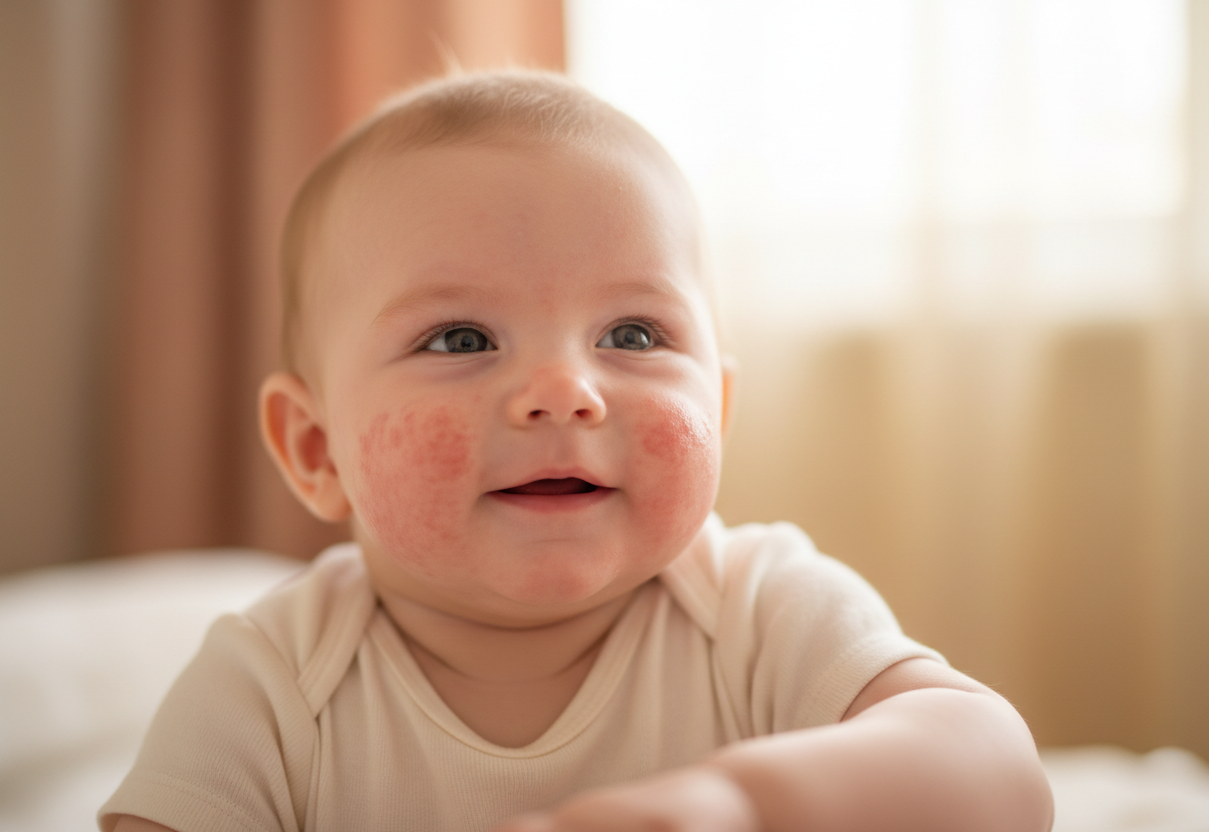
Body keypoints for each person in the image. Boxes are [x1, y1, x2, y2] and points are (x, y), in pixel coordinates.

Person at [101, 71, 1053, 832]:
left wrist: (749, 805)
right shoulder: (271, 682)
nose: (565, 389)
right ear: (315, 448)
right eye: (462, 339)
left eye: (633, 336)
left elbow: (998, 771)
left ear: (716, 407)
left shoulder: (758, 610)